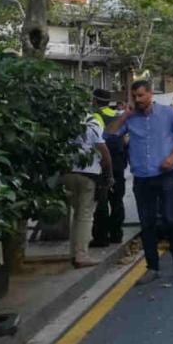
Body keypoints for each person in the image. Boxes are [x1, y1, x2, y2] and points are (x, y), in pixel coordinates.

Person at [105, 80, 173, 286]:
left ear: (150, 95)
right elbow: (108, 135)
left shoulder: (168, 114)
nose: (137, 100)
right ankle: (152, 267)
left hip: (167, 174)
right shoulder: (130, 118)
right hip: (142, 178)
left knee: (170, 219)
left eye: (141, 96)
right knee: (147, 223)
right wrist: (125, 115)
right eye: (134, 96)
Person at [61, 106, 114, 267]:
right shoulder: (92, 121)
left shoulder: (65, 121)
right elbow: (104, 151)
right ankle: (81, 256)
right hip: (89, 175)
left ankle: (74, 253)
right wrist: (109, 175)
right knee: (85, 216)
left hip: (68, 173)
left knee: (77, 215)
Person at [91, 89, 127, 247]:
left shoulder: (95, 117)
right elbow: (125, 141)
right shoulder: (118, 115)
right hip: (119, 162)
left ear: (94, 101)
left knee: (102, 200)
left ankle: (101, 237)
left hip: (102, 163)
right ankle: (117, 234)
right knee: (117, 199)